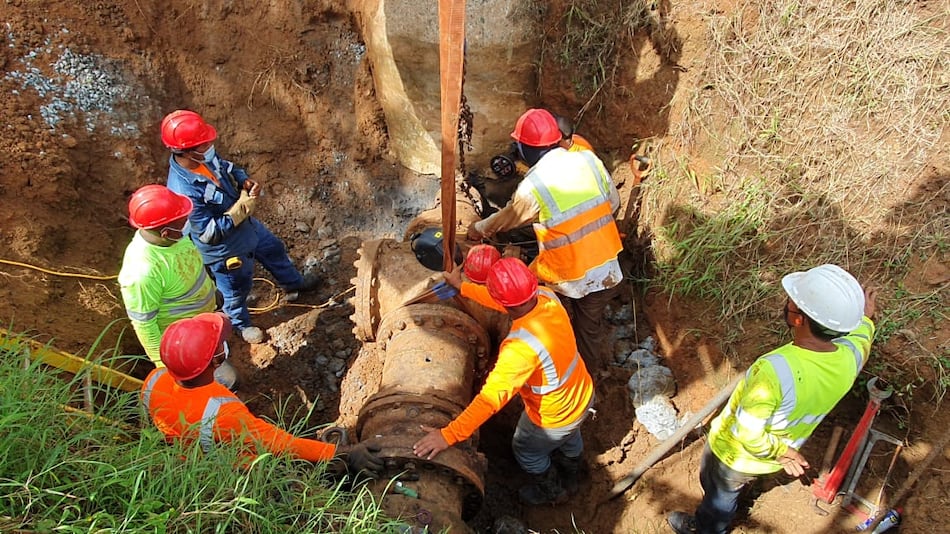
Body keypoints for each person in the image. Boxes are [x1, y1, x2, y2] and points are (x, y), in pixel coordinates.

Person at [667, 264, 877, 534]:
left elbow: (747, 434)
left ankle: (707, 528)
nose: (787, 302)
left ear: (800, 319)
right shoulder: (851, 358)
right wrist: (866, 320)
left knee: (718, 495)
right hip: (769, 457)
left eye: (793, 302)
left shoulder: (774, 371)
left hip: (734, 455)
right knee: (735, 487)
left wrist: (782, 452)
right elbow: (861, 338)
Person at [413, 258, 595, 505]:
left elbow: (490, 400)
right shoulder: (546, 297)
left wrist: (448, 435)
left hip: (554, 416)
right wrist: (463, 287)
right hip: (582, 395)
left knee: (527, 450)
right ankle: (574, 469)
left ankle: (553, 491)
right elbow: (506, 302)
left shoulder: (521, 348)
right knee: (571, 435)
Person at [466, 108, 623, 368]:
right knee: (589, 329)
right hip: (607, 265)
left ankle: (556, 368)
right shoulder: (588, 160)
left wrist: (479, 229)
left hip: (567, 276)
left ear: (526, 148)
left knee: (542, 316)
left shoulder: (535, 184)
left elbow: (509, 218)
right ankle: (588, 377)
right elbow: (613, 204)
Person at [141, 312, 383, 475]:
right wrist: (344, 454)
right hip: (235, 470)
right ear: (216, 360)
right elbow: (279, 443)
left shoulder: (154, 379)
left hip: (186, 457)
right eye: (218, 345)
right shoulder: (222, 412)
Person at [161, 110, 318, 344]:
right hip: (225, 251)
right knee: (235, 289)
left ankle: (293, 283)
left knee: (273, 248)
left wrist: (243, 178)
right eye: (204, 144)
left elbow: (227, 166)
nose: (210, 146)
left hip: (247, 228)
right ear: (185, 151)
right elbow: (207, 234)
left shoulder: (203, 158)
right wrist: (239, 210)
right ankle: (241, 324)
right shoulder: (184, 192)